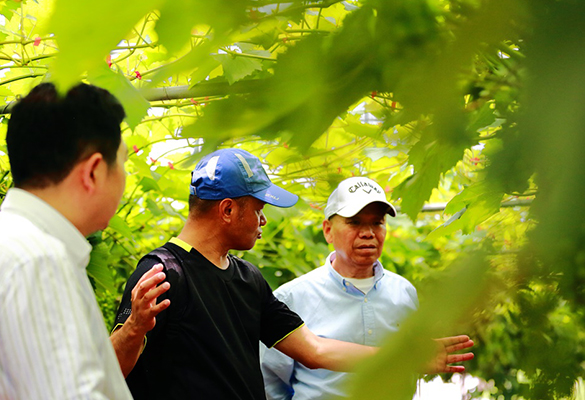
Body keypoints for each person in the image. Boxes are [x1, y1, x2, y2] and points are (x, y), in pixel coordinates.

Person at [111, 149, 473, 400]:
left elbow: (315, 350)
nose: (264, 220)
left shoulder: (247, 279)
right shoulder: (164, 272)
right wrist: (134, 329)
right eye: (258, 209)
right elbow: (110, 369)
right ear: (227, 210)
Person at [260, 176, 473, 400]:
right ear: (328, 230)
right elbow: (270, 384)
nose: (368, 233)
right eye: (355, 222)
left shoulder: (404, 293)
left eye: (377, 222)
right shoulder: (292, 297)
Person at [0, 82, 133, 399]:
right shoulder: (39, 261)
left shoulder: (17, 244)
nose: (125, 176)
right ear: (93, 173)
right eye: (124, 162)